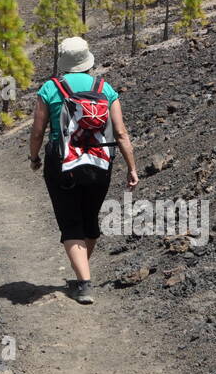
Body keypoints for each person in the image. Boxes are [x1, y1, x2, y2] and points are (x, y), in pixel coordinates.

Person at [28, 36, 138, 305]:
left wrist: (33, 157)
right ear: (87, 59)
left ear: (63, 61)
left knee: (70, 221)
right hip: (100, 162)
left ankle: (84, 284)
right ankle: (81, 274)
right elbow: (121, 133)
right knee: (89, 218)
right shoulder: (105, 88)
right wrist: (132, 168)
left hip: (63, 162)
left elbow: (38, 131)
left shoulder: (50, 88)